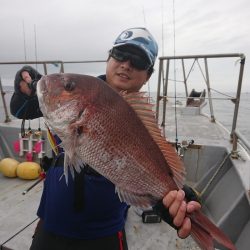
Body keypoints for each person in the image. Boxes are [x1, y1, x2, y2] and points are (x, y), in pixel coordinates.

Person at [10, 27, 201, 250]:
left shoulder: (139, 122)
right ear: (108, 58)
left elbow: (150, 170)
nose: (127, 64)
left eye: (138, 60)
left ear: (148, 75)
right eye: (120, 54)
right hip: (50, 226)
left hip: (104, 235)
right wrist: (24, 89)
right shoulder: (76, 92)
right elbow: (20, 110)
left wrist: (168, 202)